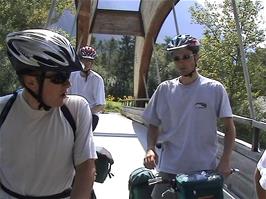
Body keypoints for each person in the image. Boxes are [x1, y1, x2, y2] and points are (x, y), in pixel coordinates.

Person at [0, 29, 97, 199]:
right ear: (31, 81)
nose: (68, 84)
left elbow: (85, 171)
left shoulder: (77, 109)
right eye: (59, 77)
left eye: (67, 76)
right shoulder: (3, 110)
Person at [142, 34, 236, 199]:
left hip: (204, 170)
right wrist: (150, 148)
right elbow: (153, 124)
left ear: (196, 57)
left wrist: (226, 160)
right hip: (169, 168)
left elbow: (229, 128)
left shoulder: (214, 88)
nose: (181, 62)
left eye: (186, 57)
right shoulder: (164, 89)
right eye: (176, 58)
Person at [68, 46, 105, 131]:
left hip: (91, 114)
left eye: (89, 61)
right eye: (84, 60)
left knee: (83, 138)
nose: (86, 63)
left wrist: (85, 113)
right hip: (73, 113)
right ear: (79, 60)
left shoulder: (97, 79)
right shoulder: (72, 76)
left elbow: (101, 105)